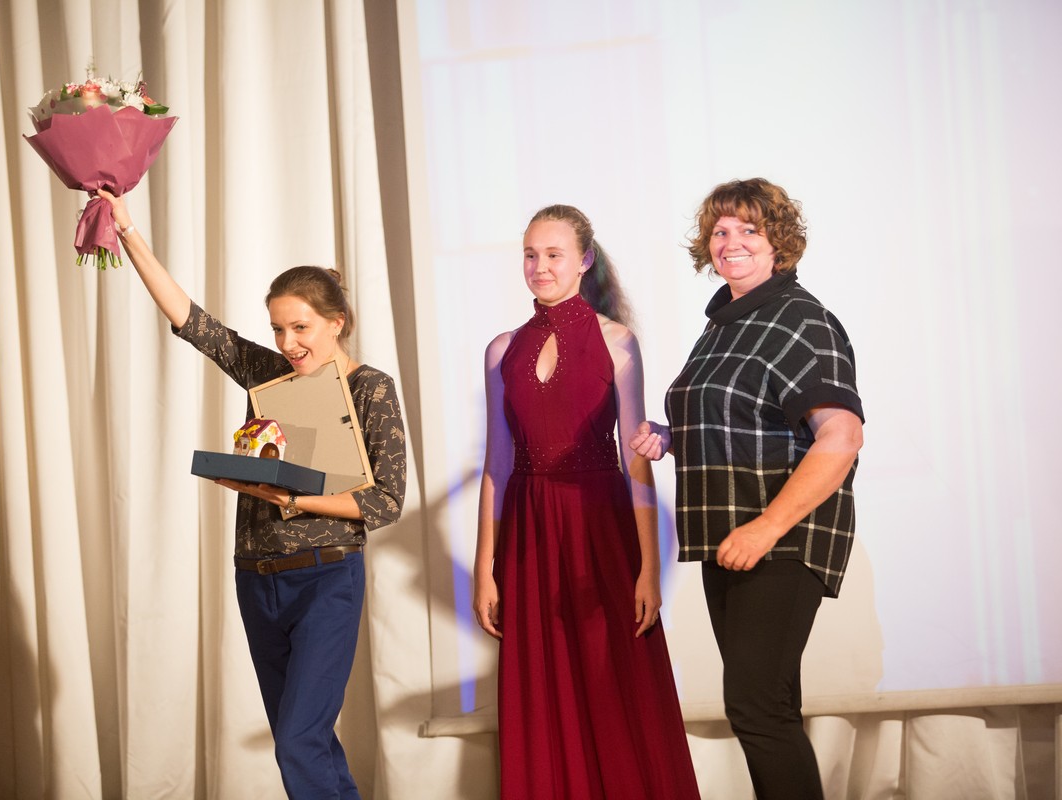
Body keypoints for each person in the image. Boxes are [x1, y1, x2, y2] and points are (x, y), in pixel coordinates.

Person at [97, 189, 406, 799]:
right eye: (278, 329)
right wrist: (128, 231)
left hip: (327, 579)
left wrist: (289, 498)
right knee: (307, 740)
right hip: (257, 580)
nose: (289, 343)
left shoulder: (371, 388)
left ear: (337, 322)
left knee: (297, 741)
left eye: (301, 327)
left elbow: (386, 501)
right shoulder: (269, 375)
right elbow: (193, 322)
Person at [630, 178, 864, 800]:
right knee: (767, 708)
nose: (730, 241)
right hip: (729, 538)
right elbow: (745, 417)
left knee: (757, 708)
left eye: (749, 230)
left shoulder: (801, 320)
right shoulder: (726, 325)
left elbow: (840, 436)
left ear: (779, 242)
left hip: (779, 538)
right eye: (720, 231)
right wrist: (670, 436)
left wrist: (766, 528)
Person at [472, 204, 700, 799]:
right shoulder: (501, 350)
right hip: (528, 537)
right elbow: (497, 464)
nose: (540, 267)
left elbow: (636, 459)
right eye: (530, 255)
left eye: (554, 254)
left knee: (615, 684)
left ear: (585, 261)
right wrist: (484, 568)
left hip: (601, 530)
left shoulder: (617, 342)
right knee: (543, 691)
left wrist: (648, 568)